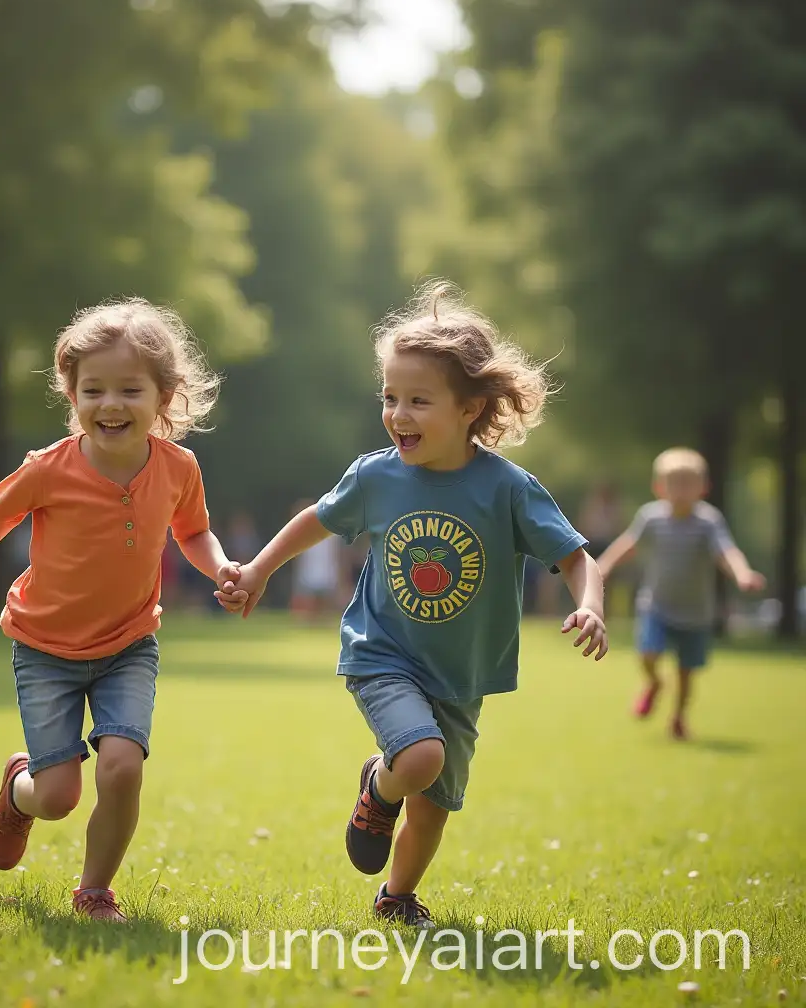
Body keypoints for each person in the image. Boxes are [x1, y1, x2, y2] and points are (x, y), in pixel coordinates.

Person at [227, 281, 607, 928]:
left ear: (470, 408)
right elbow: (318, 520)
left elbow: (574, 556)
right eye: (390, 398)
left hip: (462, 675)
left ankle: (396, 896)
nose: (398, 414)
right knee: (419, 759)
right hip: (384, 653)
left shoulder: (508, 489)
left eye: (418, 401)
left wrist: (591, 605)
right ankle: (378, 787)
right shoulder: (377, 476)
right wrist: (260, 569)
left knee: (434, 804)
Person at [0, 298, 247, 922]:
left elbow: (193, 533)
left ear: (164, 397)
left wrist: (222, 568)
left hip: (129, 645)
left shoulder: (179, 468)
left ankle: (95, 891)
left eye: (131, 389)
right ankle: (18, 792)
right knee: (57, 798)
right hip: (45, 649)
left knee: (123, 766)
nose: (111, 404)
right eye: (93, 389)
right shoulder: (48, 469)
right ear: (71, 394)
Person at [596, 447, 765, 740]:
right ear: (659, 487)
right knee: (648, 654)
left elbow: (726, 552)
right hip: (656, 605)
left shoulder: (709, 522)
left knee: (686, 671)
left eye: (689, 484)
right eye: (675, 483)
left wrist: (743, 574)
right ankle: (654, 683)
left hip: (696, 611)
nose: (682, 491)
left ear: (704, 488)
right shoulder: (651, 517)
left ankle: (678, 718)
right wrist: (605, 564)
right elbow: (629, 543)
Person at [288, 499, 343, 620]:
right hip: (309, 571)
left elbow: (336, 554)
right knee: (307, 603)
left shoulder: (332, 532)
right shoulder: (303, 533)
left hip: (326, 570)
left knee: (325, 603)